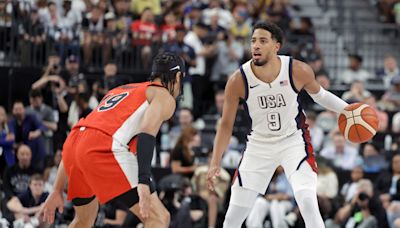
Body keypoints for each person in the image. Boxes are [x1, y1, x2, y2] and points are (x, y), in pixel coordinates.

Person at [207, 21, 350, 228]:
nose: (255, 45)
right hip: (259, 145)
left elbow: (321, 96)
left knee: (308, 201)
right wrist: (215, 162)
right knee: (232, 218)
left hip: (293, 141)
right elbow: (225, 125)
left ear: (276, 46)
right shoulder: (238, 80)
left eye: (263, 41)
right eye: (253, 41)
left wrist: (349, 110)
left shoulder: (297, 69)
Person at [40, 52, 186, 227]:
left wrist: (57, 189)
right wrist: (143, 180)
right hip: (103, 147)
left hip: (76, 141)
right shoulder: (164, 96)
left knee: (83, 220)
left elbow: (82, 140)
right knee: (159, 218)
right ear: (178, 77)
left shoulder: (121, 89)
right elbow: (147, 133)